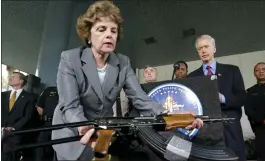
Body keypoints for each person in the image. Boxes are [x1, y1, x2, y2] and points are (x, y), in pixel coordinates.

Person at [51, 1, 203, 160]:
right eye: (102, 29)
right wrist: (83, 127)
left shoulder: (123, 63)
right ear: (88, 35)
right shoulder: (69, 58)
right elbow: (69, 105)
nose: (109, 34)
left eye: (113, 30)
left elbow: (140, 99)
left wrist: (173, 116)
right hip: (72, 132)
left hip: (102, 135)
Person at [188, 35, 246, 161]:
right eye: (200, 48)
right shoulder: (191, 77)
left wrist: (223, 98)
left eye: (206, 47)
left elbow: (242, 98)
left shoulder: (232, 71)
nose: (203, 51)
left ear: (214, 49)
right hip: (205, 132)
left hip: (230, 130)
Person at [1, 72, 36, 161]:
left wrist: (14, 128)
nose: (10, 78)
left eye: (13, 77)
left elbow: (27, 116)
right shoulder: (2, 95)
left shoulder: (30, 97)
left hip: (14, 135)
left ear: (21, 81)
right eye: (10, 76)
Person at [245, 62, 265, 161]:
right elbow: (248, 110)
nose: (261, 71)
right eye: (257, 70)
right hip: (260, 129)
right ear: (254, 74)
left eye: (264, 69)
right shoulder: (250, 91)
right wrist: (263, 120)